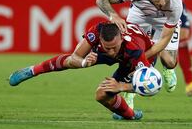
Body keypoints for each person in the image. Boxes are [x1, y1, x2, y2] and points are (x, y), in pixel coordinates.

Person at [9, 22, 155, 120]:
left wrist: (122, 87)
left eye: (114, 47)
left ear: (121, 39)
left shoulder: (135, 50)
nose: (110, 52)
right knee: (71, 62)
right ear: (101, 40)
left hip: (130, 61)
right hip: (114, 53)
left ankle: (130, 115)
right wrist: (84, 62)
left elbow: (151, 85)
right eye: (106, 47)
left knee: (101, 95)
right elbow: (76, 57)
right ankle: (33, 70)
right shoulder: (98, 31)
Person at [96, 0, 183, 107]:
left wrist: (141, 56)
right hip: (140, 15)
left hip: (163, 20)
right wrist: (114, 16)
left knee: (170, 62)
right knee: (131, 52)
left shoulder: (176, 4)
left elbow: (164, 39)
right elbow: (101, 0)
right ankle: (129, 94)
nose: (163, 2)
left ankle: (168, 69)